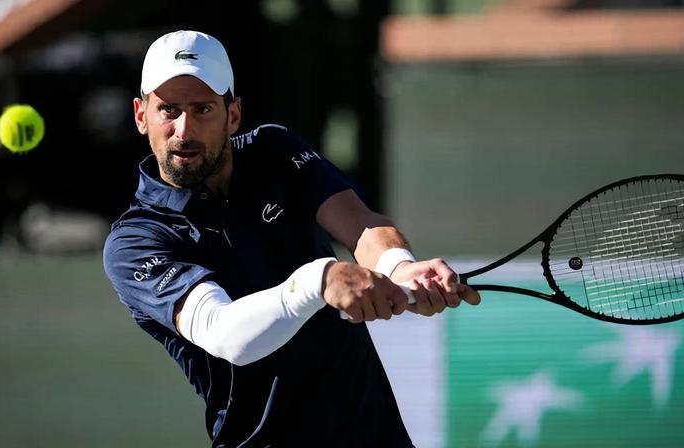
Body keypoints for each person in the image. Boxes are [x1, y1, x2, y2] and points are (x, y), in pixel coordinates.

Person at [102, 30, 480, 447]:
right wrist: (319, 280)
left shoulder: (275, 151)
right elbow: (223, 332)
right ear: (141, 115)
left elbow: (360, 224)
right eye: (168, 110)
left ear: (232, 114)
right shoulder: (135, 242)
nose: (184, 129)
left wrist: (400, 267)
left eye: (203, 109)